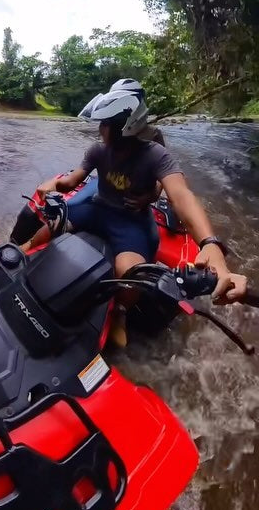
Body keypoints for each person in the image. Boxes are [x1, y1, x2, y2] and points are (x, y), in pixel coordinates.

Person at [20, 85, 247, 344]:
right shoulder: (98, 151)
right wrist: (54, 184)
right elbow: (72, 181)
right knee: (53, 224)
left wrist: (209, 243)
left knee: (129, 273)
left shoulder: (155, 154)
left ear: (122, 127)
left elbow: (181, 195)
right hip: (98, 208)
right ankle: (24, 248)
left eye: (105, 124)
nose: (100, 129)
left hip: (131, 220)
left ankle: (120, 313)